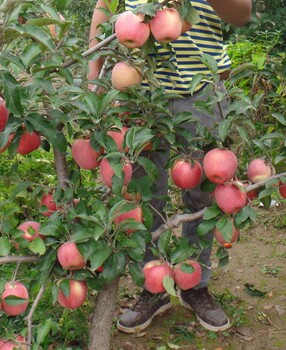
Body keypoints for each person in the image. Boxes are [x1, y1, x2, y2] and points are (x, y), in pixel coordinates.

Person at [87, 0, 252, 334]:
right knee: (144, 196)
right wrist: (93, 78)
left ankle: (194, 282)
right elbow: (103, 7)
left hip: (204, 90)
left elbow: (242, 13)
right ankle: (155, 284)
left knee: (204, 193)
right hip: (139, 90)